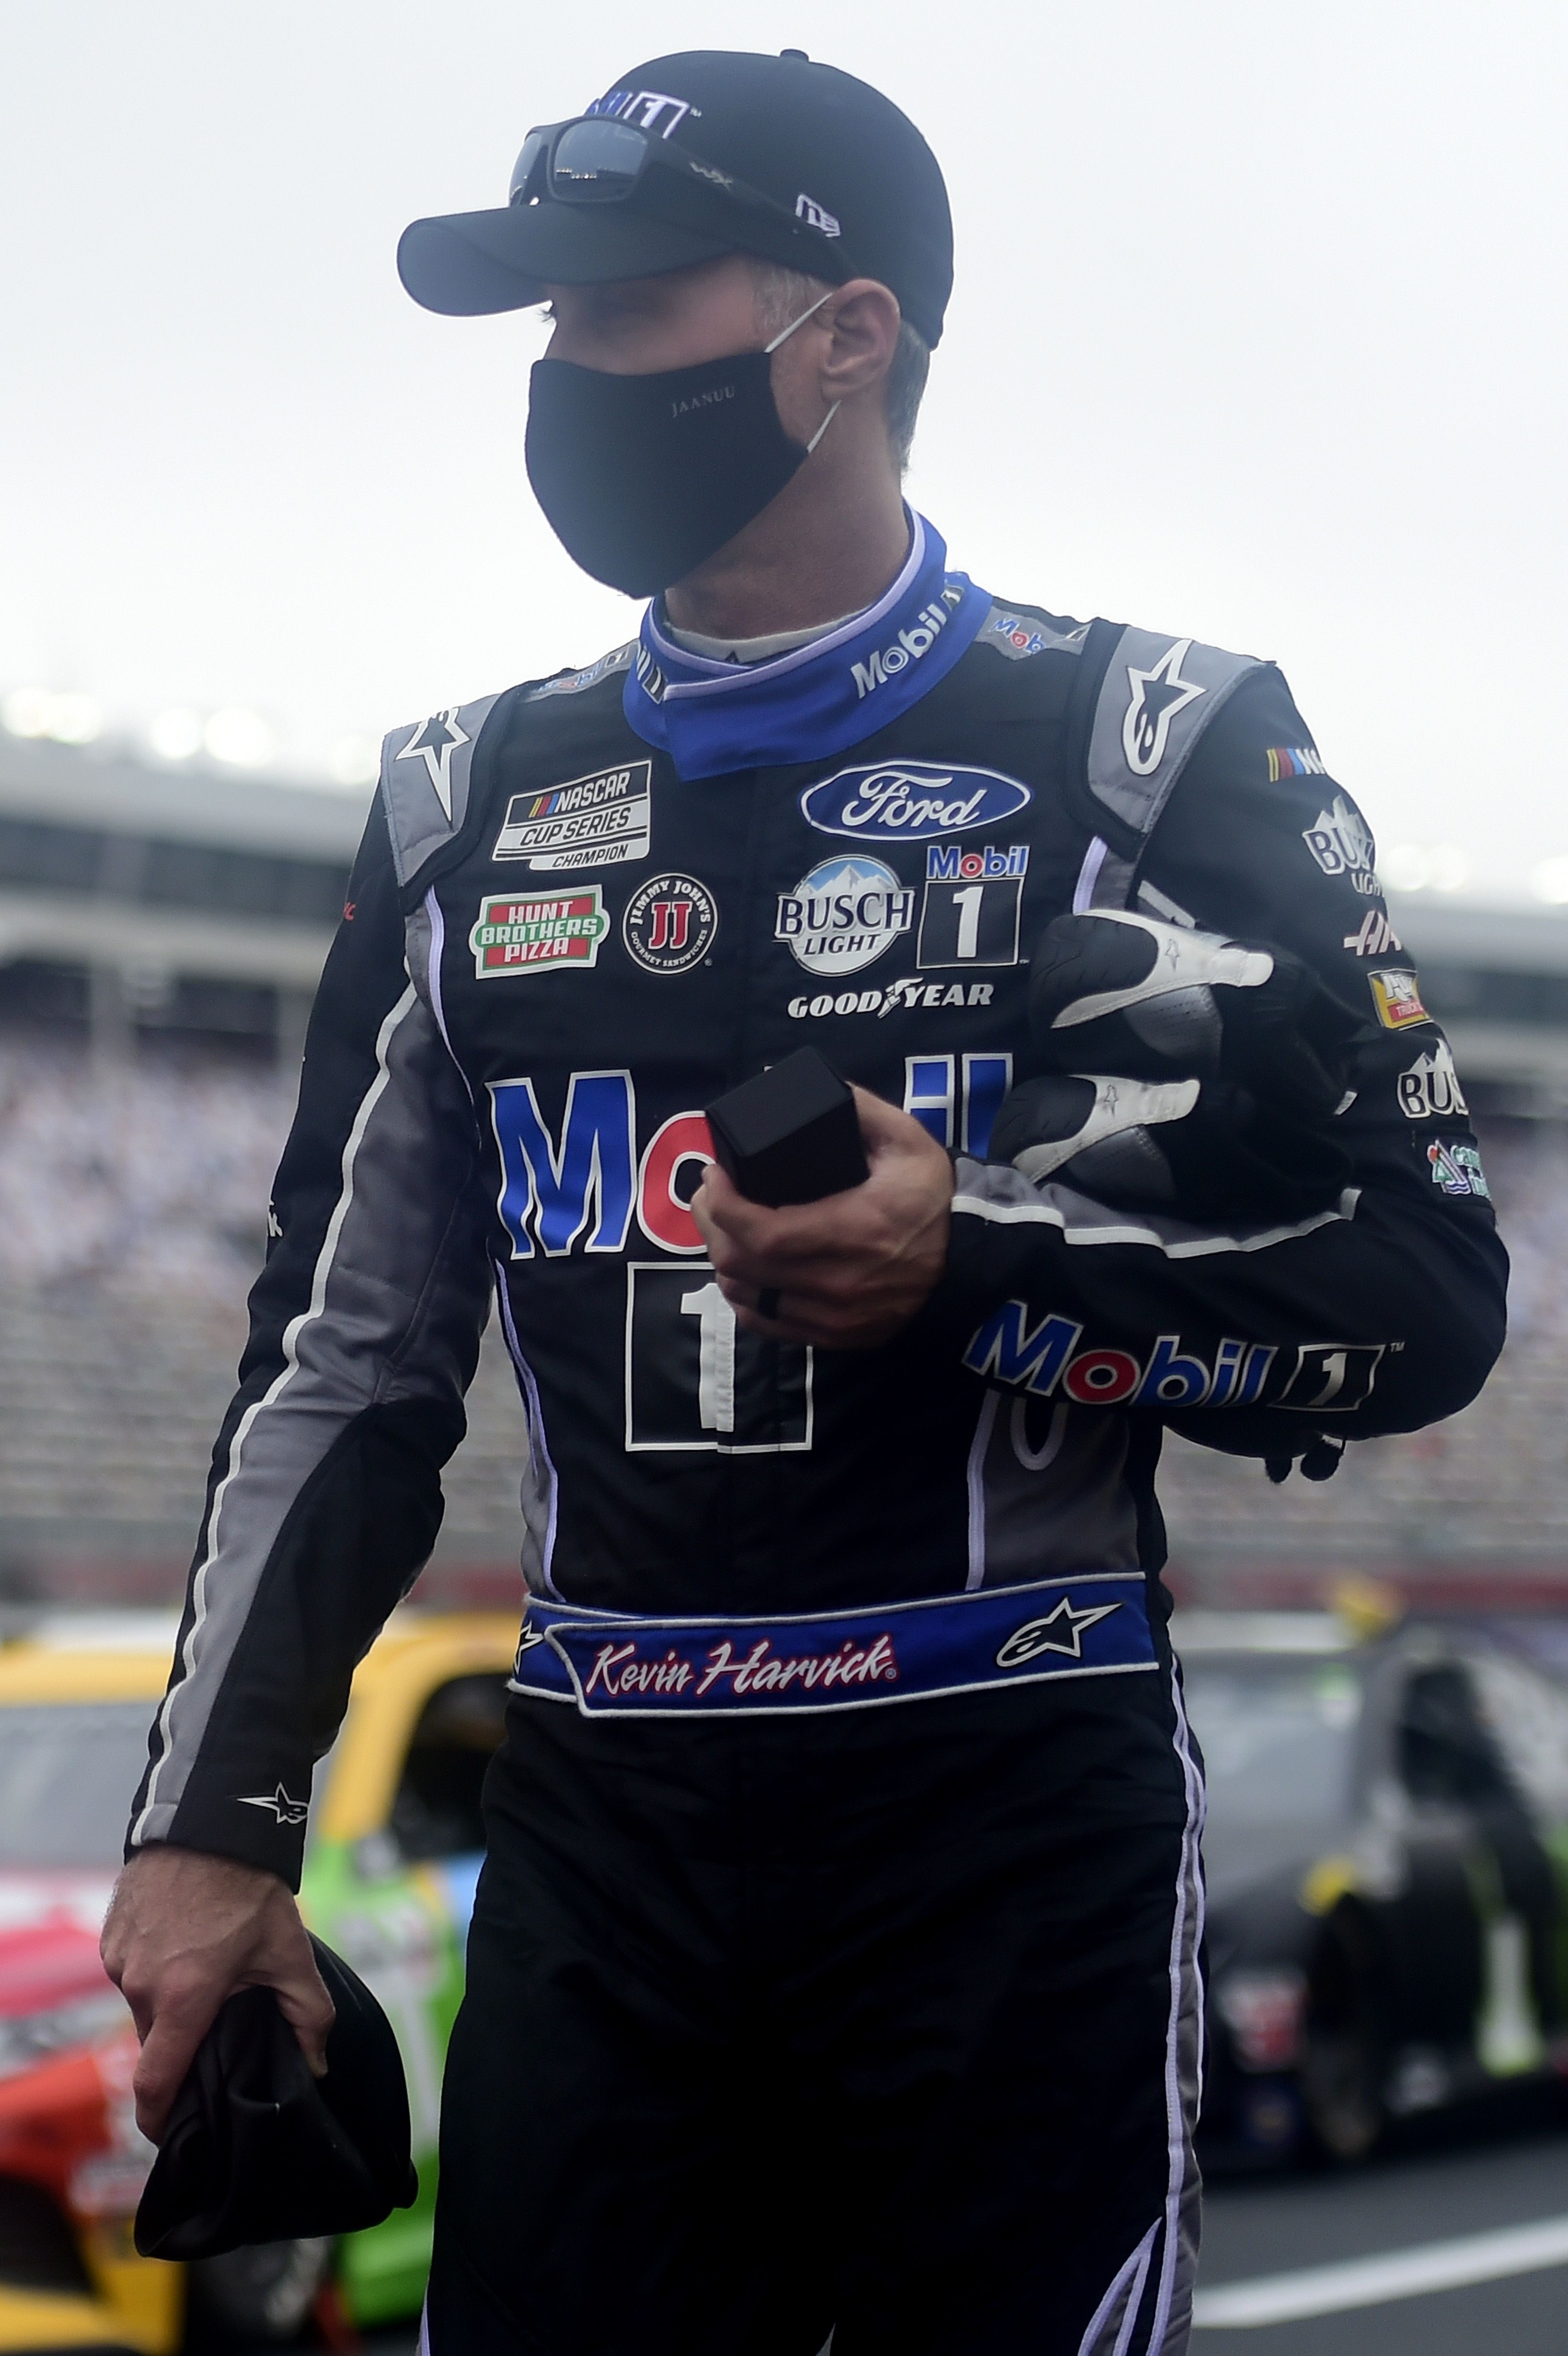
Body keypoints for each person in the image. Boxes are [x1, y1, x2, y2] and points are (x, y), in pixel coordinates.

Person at [102, 48, 1507, 2356]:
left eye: (616, 310)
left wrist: (984, 1272)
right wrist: (214, 1821)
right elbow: (340, 1374)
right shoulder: (464, 800)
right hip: (605, 1821)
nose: (559, 374)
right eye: (539, 327)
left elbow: (1428, 1291)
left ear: (841, 339)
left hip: (1006, 1804)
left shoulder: (1160, 745)